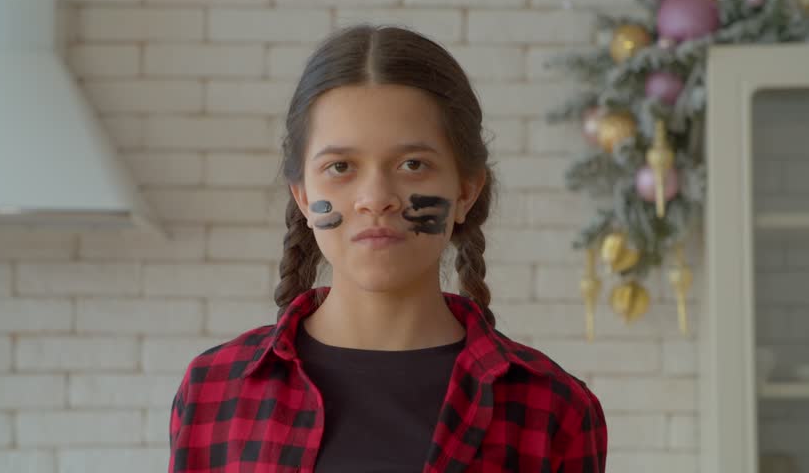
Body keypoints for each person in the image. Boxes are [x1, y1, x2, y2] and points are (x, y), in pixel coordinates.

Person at [168, 24, 607, 473]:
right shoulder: (212, 390)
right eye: (340, 166)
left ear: (466, 191)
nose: (376, 197)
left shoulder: (555, 409)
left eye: (413, 164)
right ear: (301, 195)